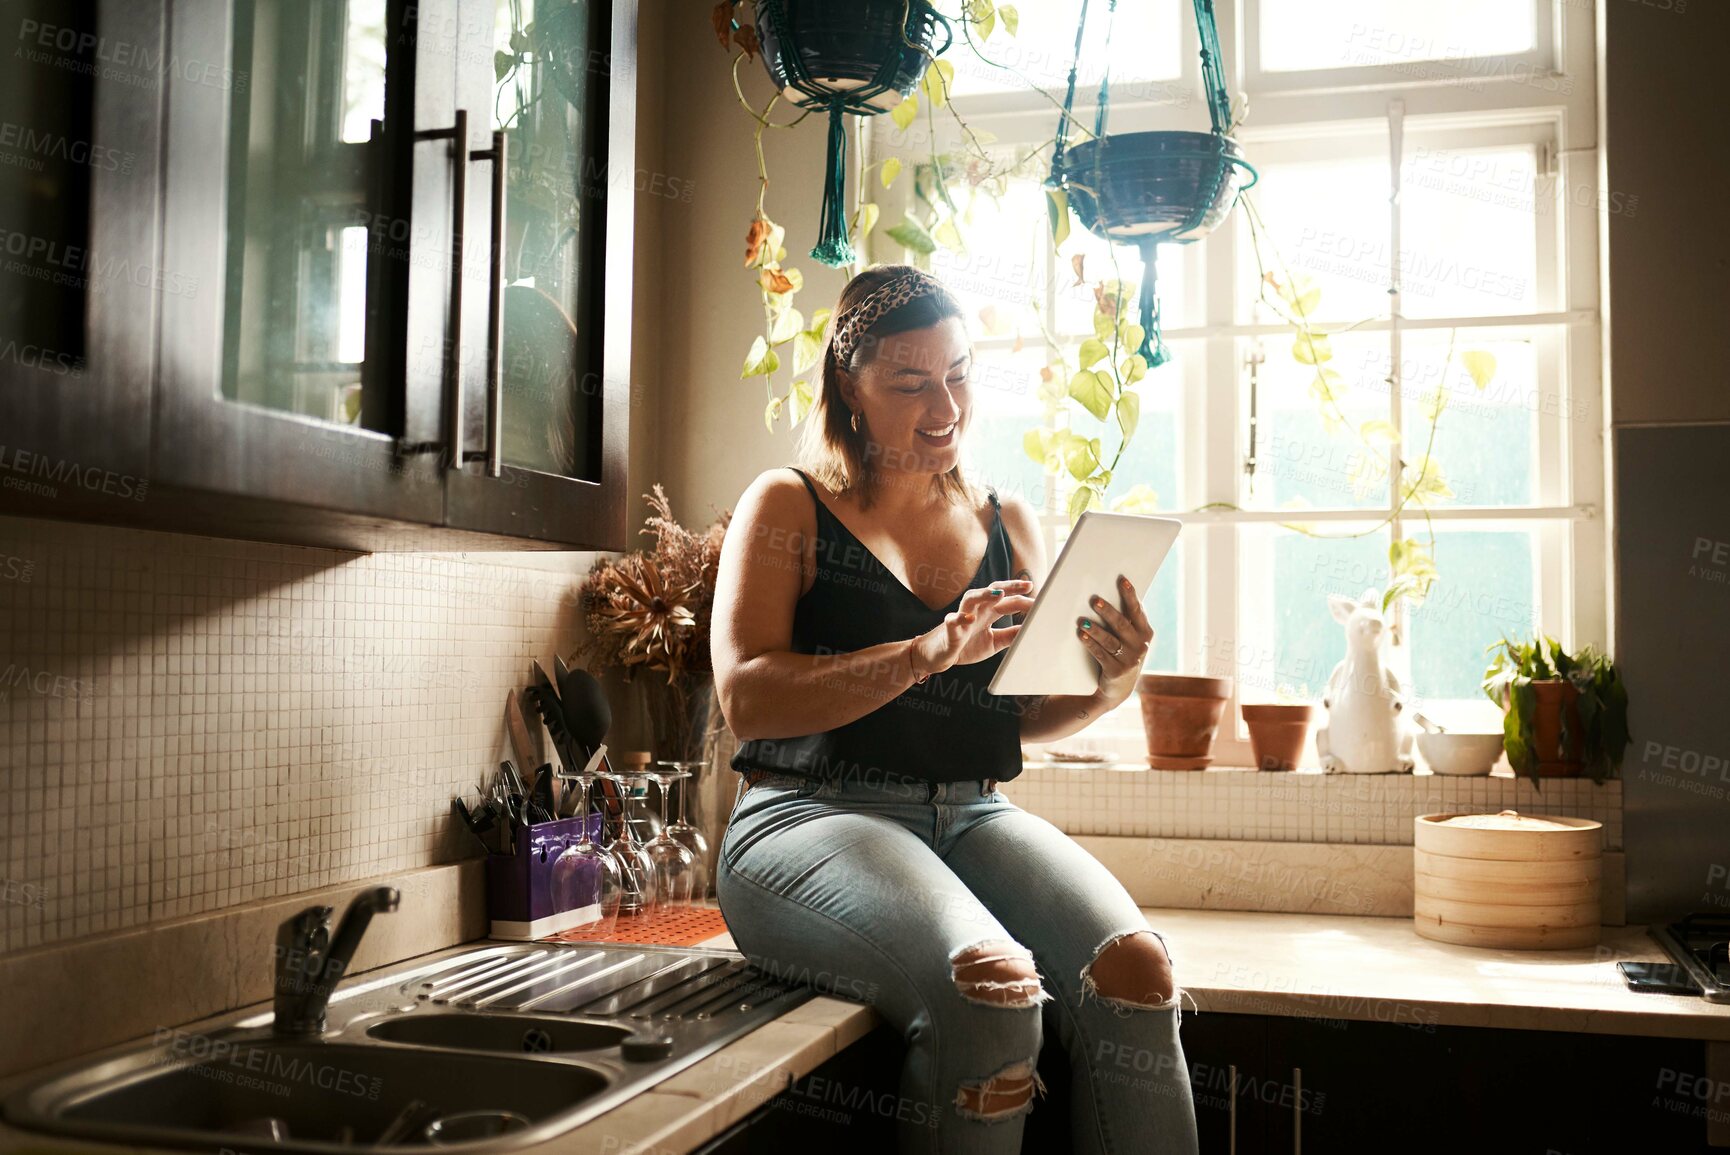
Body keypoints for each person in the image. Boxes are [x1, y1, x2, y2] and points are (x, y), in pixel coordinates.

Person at [709, 264, 1198, 1154]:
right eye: (910, 382)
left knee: (1138, 971)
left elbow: (1022, 713)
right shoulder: (787, 504)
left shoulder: (1005, 515)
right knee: (991, 986)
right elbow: (746, 698)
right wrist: (926, 651)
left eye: (960, 374)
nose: (945, 404)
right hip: (805, 818)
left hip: (971, 811)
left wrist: (1112, 682)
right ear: (849, 389)